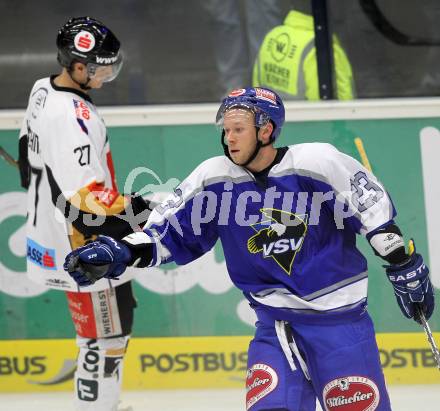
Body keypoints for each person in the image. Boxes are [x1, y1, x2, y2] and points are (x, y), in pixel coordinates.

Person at [64, 87, 434, 410]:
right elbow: (166, 231)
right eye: (226, 131)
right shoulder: (215, 177)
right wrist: (118, 251)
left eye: (238, 130)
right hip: (274, 330)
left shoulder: (317, 162)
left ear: (266, 130)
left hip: (339, 328)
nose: (229, 140)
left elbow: (374, 215)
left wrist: (402, 261)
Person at [18, 16, 151, 411]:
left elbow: (26, 144)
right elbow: (89, 200)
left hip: (49, 231)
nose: (107, 73)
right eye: (99, 67)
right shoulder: (77, 118)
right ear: (77, 66)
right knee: (106, 336)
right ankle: (99, 407)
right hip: (83, 241)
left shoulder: (42, 88)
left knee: (97, 330)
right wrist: (144, 210)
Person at [253, 10, 355, 100]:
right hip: (305, 119)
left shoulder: (273, 35)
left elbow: (256, 84)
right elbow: (342, 95)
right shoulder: (320, 45)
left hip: (271, 118)